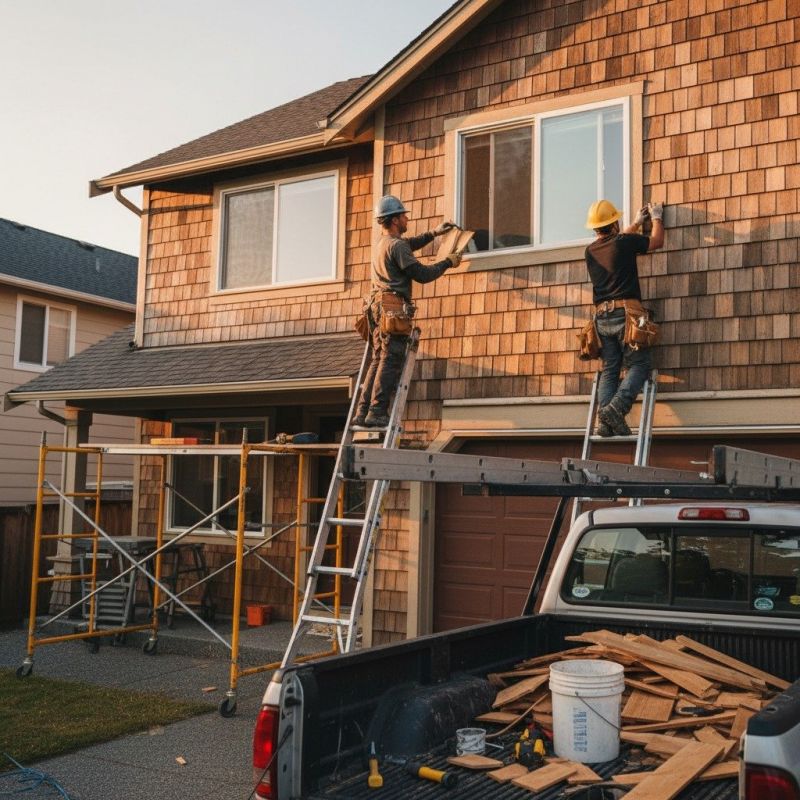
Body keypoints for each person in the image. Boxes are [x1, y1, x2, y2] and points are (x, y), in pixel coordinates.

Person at [354, 195, 462, 427]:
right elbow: (423, 275)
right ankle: (377, 412)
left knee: (378, 360)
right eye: (403, 215)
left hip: (377, 309)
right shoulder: (397, 246)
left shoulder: (383, 244)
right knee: (390, 360)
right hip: (391, 310)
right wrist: (448, 263)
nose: (406, 218)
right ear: (394, 220)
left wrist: (434, 233)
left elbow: (408, 244)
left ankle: (363, 412)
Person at [584, 199, 665, 437]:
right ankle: (616, 409)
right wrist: (656, 217)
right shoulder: (624, 242)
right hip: (626, 314)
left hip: (601, 318)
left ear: (595, 227)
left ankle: (605, 424)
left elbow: (616, 244)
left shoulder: (590, 251)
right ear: (614, 224)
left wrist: (636, 223)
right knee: (639, 364)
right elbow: (657, 242)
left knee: (611, 369)